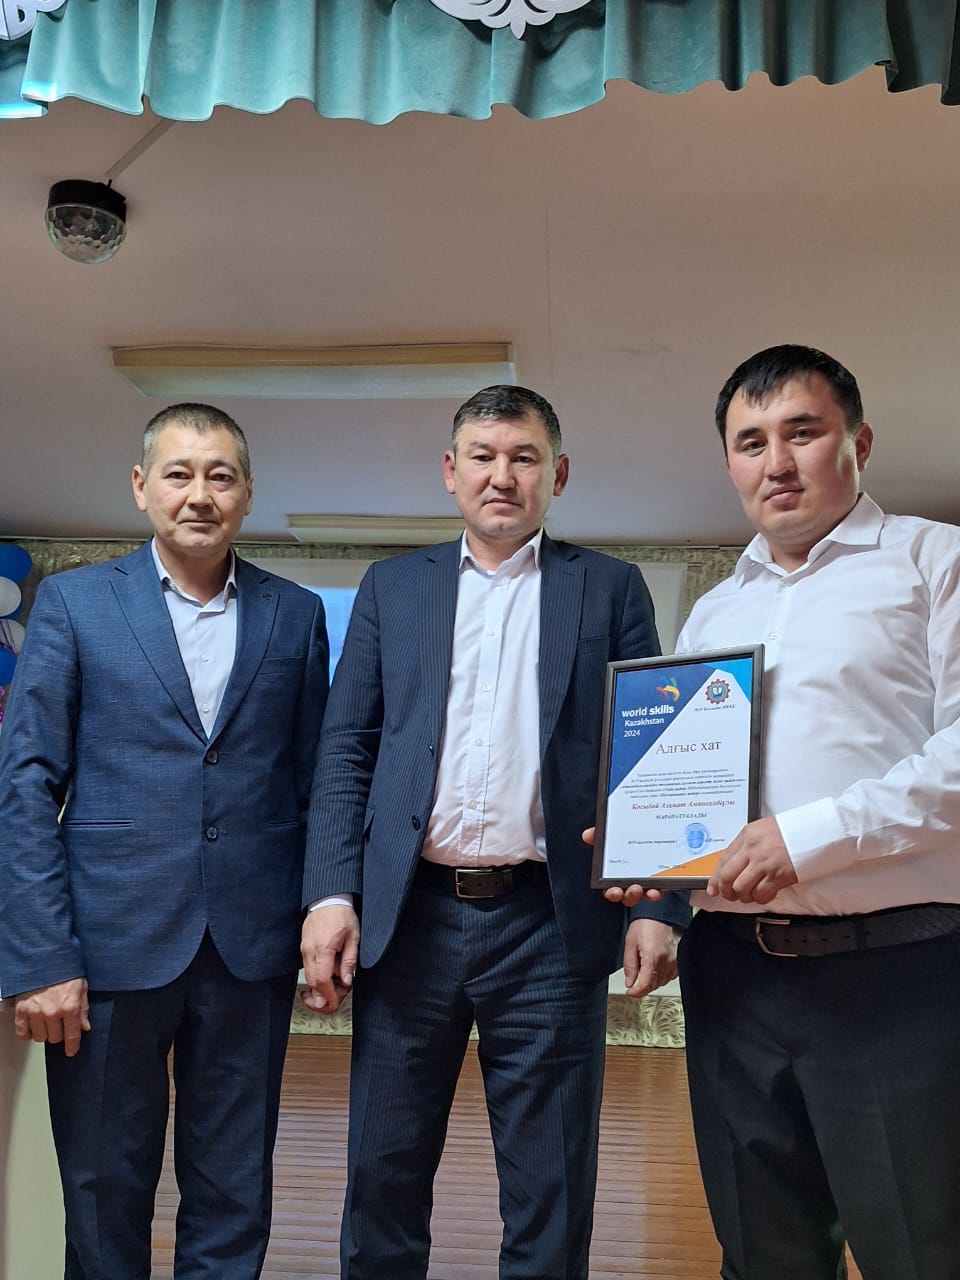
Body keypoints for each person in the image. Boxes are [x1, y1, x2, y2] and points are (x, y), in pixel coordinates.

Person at [300, 385, 688, 1280]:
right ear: (451, 471)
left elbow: (654, 752)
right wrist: (330, 892)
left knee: (551, 1190)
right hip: (410, 922)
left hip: (547, 925)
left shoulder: (609, 588)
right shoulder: (395, 588)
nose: (502, 476)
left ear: (559, 473)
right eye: (482, 456)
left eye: (524, 457)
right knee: (383, 1177)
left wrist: (658, 904)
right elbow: (347, 747)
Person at [608, 344, 960, 1279]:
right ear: (730, 461)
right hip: (734, 982)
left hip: (898, 977)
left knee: (920, 1251)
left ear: (858, 443)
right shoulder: (714, 614)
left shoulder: (937, 562)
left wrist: (806, 840)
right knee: (763, 1253)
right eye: (751, 441)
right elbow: (691, 784)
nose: (777, 462)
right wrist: (654, 869)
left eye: (802, 433)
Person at [0, 403, 329, 1279]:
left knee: (234, 1195)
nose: (199, 494)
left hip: (250, 952)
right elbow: (25, 785)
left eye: (221, 475)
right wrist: (40, 957)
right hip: (106, 954)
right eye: (179, 474)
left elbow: (312, 784)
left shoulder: (296, 615)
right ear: (142, 486)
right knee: (102, 1191)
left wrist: (321, 914)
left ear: (248, 493)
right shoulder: (76, 604)